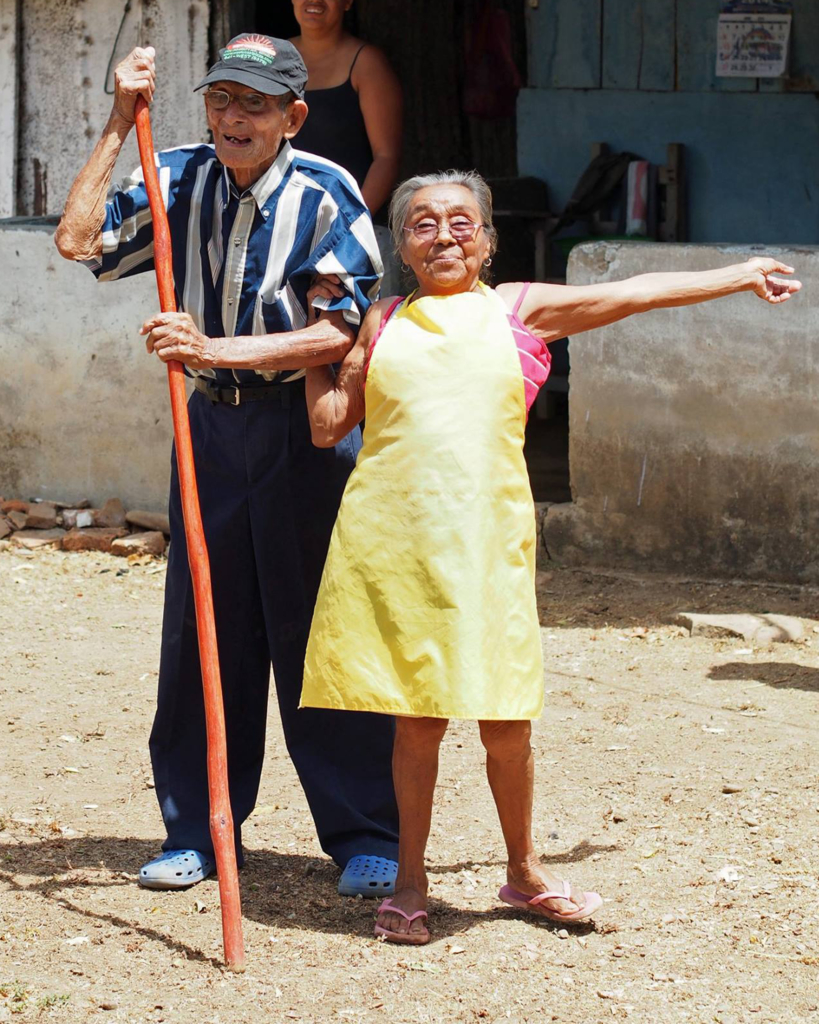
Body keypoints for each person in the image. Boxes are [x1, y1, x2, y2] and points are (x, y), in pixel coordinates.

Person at [299, 170, 802, 943]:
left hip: (487, 542)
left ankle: (523, 873)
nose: (443, 237)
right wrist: (312, 346)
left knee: (506, 719)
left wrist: (737, 273)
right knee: (418, 724)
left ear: (488, 240)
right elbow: (330, 424)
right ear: (401, 246)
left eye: (461, 223)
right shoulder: (383, 320)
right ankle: (409, 882)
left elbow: (637, 292)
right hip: (397, 546)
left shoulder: (518, 310)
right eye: (423, 224)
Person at [54, 35, 400, 897]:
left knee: (319, 629)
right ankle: (200, 831)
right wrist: (115, 118)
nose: (232, 119)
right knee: (205, 628)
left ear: (293, 115)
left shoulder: (326, 192)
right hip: (207, 427)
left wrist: (218, 346)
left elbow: (338, 331)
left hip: (301, 432)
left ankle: (364, 831)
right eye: (219, 100)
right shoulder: (173, 170)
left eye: (253, 104)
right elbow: (78, 240)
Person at [289, 0, 403, 292]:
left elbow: (386, 157)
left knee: (363, 334)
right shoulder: (274, 59)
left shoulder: (366, 62)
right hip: (284, 232)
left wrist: (349, 227)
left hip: (355, 235)